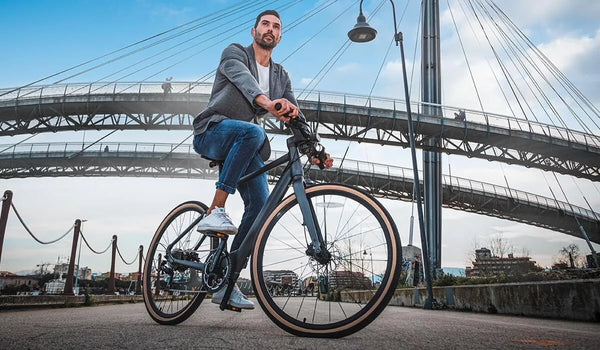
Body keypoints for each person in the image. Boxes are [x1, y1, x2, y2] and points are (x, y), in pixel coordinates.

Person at [191, 10, 333, 309]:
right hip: (213, 131)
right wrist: (268, 103)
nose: (270, 29)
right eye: (265, 24)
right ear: (254, 30)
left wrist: (314, 149)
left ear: (280, 36)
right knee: (254, 133)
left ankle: (225, 283)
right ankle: (215, 210)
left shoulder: (281, 76)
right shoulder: (235, 53)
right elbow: (243, 80)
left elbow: (295, 114)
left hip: (244, 145)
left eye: (276, 26)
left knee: (260, 206)